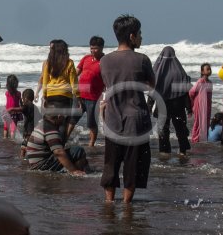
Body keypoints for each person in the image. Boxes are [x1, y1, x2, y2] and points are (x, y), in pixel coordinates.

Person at [99, 15, 155, 204]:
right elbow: (152, 88)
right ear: (132, 36)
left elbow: (106, 87)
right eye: (139, 34)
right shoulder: (142, 60)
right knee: (133, 167)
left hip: (112, 119)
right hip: (136, 121)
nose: (141, 37)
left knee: (111, 165)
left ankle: (109, 202)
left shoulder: (105, 61)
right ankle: (126, 205)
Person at [152, 46, 191, 155]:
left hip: (162, 105)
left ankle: (164, 151)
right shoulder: (180, 71)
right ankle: (183, 150)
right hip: (178, 105)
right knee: (180, 128)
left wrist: (149, 106)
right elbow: (185, 92)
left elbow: (153, 89)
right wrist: (189, 108)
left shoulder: (157, 72)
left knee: (163, 129)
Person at [23, 112, 89, 175]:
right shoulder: (49, 128)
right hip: (41, 165)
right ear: (59, 116)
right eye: (64, 116)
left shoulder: (42, 124)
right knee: (78, 150)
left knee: (70, 153)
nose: (64, 119)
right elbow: (58, 152)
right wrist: (73, 171)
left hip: (37, 163)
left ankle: (84, 170)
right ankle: (79, 173)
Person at [37, 39, 79, 137]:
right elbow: (74, 81)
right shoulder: (69, 63)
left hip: (51, 95)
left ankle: (51, 144)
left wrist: (45, 96)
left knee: (51, 121)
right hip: (64, 96)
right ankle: (60, 145)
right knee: (63, 122)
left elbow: (45, 80)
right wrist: (78, 97)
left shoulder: (48, 63)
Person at [77, 36, 106, 147]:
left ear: (102, 48)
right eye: (91, 48)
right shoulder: (86, 58)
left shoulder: (105, 61)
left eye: (95, 48)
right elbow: (76, 73)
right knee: (72, 120)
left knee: (91, 123)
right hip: (80, 95)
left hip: (93, 97)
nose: (93, 51)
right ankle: (63, 141)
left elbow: (108, 78)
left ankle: (91, 144)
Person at [188, 63, 213, 143]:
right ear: (202, 71)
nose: (209, 71)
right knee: (198, 123)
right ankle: (195, 139)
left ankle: (203, 139)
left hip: (207, 106)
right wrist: (194, 103)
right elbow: (191, 92)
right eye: (207, 69)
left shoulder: (210, 82)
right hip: (199, 106)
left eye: (210, 69)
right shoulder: (200, 81)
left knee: (206, 122)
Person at [2, 74, 23, 140]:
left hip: (7, 111)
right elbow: (21, 103)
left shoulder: (7, 93)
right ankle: (12, 139)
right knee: (13, 128)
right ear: (16, 84)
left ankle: (5, 138)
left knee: (5, 127)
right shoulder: (18, 93)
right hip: (14, 112)